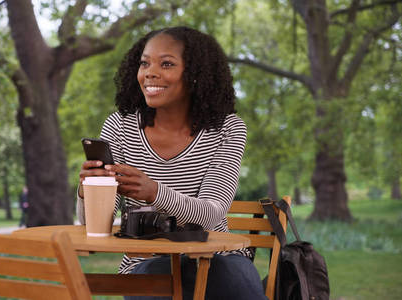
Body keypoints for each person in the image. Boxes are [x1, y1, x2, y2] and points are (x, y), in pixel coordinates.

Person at [76, 26, 265, 299]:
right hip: (146, 263)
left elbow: (212, 215)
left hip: (216, 259)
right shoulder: (120, 126)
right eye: (144, 63)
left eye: (166, 64)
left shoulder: (227, 129)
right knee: (157, 277)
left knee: (229, 276)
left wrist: (154, 192)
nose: (149, 73)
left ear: (195, 75)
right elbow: (92, 226)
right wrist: (88, 189)